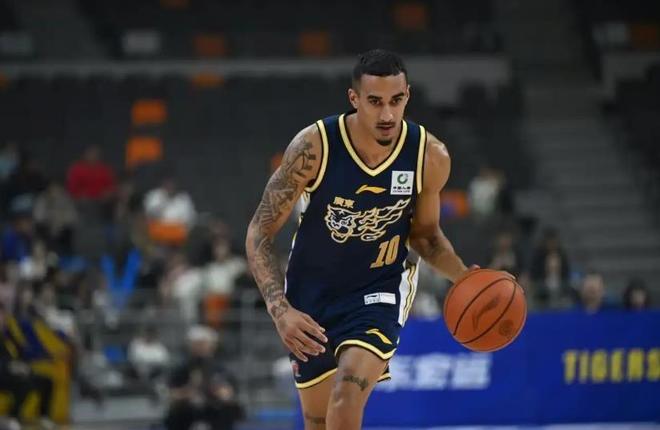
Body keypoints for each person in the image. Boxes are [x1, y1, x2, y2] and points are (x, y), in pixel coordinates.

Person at [245, 50, 482, 430]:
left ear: (408, 96)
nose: (387, 114)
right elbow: (260, 231)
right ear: (354, 99)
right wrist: (280, 310)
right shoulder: (314, 146)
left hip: (377, 290)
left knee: (345, 398)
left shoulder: (429, 155)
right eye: (375, 101)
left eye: (396, 100)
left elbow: (425, 235)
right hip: (312, 294)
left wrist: (464, 276)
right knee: (318, 421)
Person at [165, 325, 243, 430]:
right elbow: (171, 394)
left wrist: (221, 392)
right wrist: (189, 390)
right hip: (186, 413)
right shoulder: (180, 370)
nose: (200, 347)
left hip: (214, 412)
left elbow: (229, 393)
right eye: (196, 344)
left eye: (203, 344)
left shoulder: (221, 370)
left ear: (212, 345)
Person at [0, 303, 55, 430]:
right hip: (2, 374)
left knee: (46, 381)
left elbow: (22, 352)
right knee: (24, 384)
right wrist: (10, 366)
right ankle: (12, 417)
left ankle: (44, 417)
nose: (2, 318)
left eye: (3, 315)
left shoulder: (8, 333)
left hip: (16, 371)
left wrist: (41, 357)